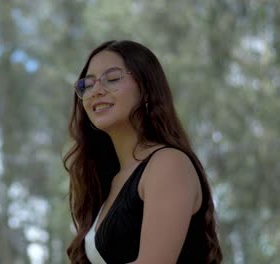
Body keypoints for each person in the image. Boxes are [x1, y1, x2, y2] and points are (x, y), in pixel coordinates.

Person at [62, 40, 223, 264]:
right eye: (87, 84)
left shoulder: (168, 163)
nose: (96, 91)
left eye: (113, 78)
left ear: (146, 88)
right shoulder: (109, 181)